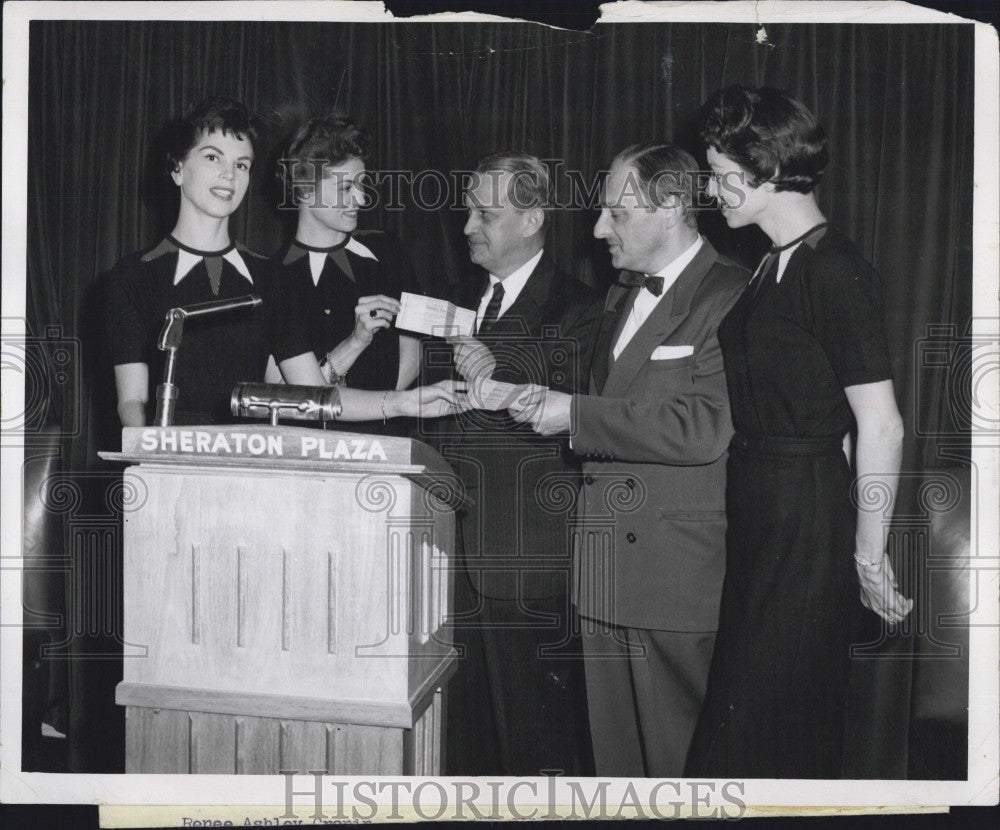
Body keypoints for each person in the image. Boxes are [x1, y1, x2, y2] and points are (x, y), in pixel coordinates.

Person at [684, 86, 913, 779]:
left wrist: (867, 556)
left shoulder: (836, 272)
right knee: (750, 724)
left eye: (723, 175)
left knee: (770, 728)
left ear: (771, 170)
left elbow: (879, 424)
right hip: (763, 508)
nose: (713, 190)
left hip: (802, 518)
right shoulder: (770, 265)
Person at [510, 143, 746, 777]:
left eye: (616, 212)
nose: (597, 229)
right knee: (617, 773)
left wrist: (576, 414)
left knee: (679, 774)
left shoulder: (731, 295)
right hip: (605, 573)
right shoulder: (618, 296)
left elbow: (703, 427)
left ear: (671, 206)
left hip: (674, 583)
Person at [105, 97, 458, 429]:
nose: (229, 174)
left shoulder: (271, 277)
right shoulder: (133, 275)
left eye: (241, 164)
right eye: (213, 158)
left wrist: (403, 403)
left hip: (252, 468)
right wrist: (153, 454)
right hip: (165, 467)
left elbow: (313, 394)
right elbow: (131, 400)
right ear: (178, 169)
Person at [426, 152, 602, 776]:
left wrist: (497, 376)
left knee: (536, 751)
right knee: (464, 748)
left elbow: (578, 423)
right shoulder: (452, 304)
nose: (469, 225)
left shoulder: (582, 309)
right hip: (451, 566)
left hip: (527, 567)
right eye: (469, 210)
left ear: (531, 219)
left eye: (486, 213)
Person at [272, 116, 422, 435]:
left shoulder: (389, 251)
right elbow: (289, 398)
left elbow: (412, 353)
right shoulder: (272, 276)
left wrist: (377, 413)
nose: (361, 199)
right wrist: (355, 343)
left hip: (387, 438)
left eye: (361, 183)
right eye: (345, 187)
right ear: (304, 190)